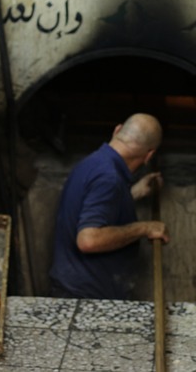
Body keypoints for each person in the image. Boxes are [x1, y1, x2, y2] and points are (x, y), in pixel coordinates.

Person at [49, 113, 170, 300]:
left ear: (117, 130)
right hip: (85, 299)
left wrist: (134, 193)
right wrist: (145, 228)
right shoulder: (109, 178)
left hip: (72, 288)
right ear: (149, 155)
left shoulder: (95, 162)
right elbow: (88, 240)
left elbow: (94, 204)